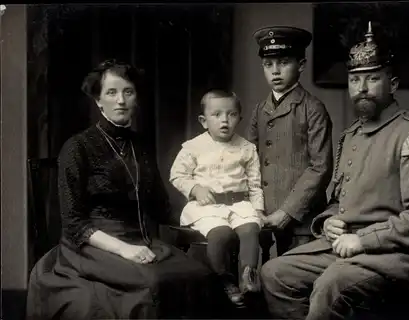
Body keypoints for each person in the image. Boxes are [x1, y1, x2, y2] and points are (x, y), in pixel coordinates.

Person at [260, 22, 409, 320]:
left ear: (393, 84)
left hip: (395, 255)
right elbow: (340, 202)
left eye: (372, 79)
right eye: (355, 80)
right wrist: (327, 222)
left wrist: (364, 240)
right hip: (344, 246)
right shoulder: (351, 135)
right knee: (274, 273)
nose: (361, 89)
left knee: (330, 286)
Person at [26, 59, 219, 319]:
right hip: (93, 247)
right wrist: (123, 249)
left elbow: (161, 207)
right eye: (111, 92)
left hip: (141, 241)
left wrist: (210, 217)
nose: (121, 101)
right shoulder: (77, 147)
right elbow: (74, 224)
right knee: (154, 286)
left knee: (201, 275)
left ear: (136, 98)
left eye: (128, 92)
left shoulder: (140, 145)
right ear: (98, 100)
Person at [170, 90, 264, 307]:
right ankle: (225, 279)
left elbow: (254, 182)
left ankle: (248, 277)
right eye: (217, 115)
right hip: (207, 207)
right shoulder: (193, 147)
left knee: (250, 229)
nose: (224, 120)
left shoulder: (247, 148)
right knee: (220, 234)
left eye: (231, 114)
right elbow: (177, 174)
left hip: (239, 204)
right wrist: (195, 188)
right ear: (204, 121)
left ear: (239, 118)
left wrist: (258, 209)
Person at [248, 26, 333, 255]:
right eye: (268, 64)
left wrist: (287, 212)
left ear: (301, 65)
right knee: (265, 277)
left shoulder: (312, 109)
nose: (275, 71)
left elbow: (321, 168)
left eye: (284, 63)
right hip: (264, 215)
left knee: (295, 280)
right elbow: (249, 160)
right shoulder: (259, 110)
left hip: (301, 220)